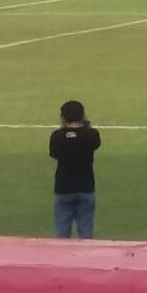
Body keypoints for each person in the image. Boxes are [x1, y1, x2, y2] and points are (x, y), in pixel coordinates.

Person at [49, 100, 101, 239]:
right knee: (86, 232)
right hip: (86, 187)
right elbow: (95, 144)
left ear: (63, 117)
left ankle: (60, 260)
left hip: (63, 188)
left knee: (62, 233)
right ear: (82, 115)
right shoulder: (91, 134)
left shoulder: (57, 137)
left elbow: (54, 154)